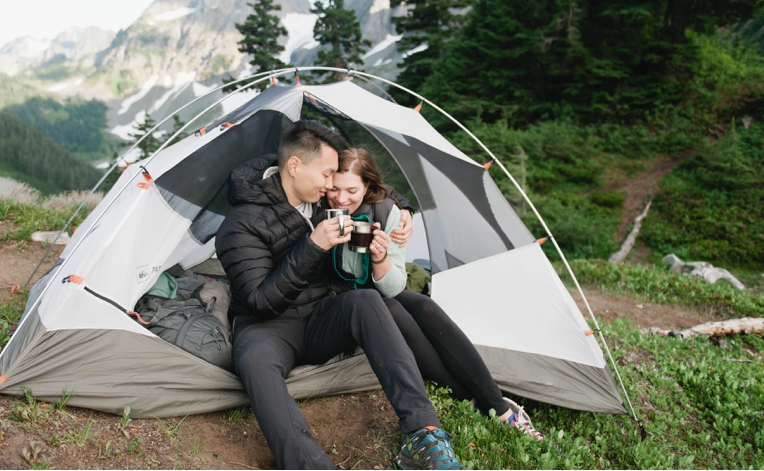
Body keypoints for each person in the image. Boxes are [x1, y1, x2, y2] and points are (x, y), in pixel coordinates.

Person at [216, 121, 463, 470]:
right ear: (295, 167)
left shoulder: (320, 200)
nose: (332, 185)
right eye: (327, 174)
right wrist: (313, 246)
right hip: (268, 327)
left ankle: (423, 433)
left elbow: (364, 184)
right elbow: (259, 301)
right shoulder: (239, 225)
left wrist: (402, 208)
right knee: (253, 361)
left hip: (321, 315)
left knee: (368, 301)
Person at [321, 147, 544, 441]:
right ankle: (474, 398)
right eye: (334, 188)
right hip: (343, 301)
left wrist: (380, 258)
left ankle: (499, 407)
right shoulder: (317, 208)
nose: (341, 198)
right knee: (394, 310)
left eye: (352, 190)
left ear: (367, 187)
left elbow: (394, 286)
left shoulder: (385, 212)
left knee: (423, 306)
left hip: (376, 288)